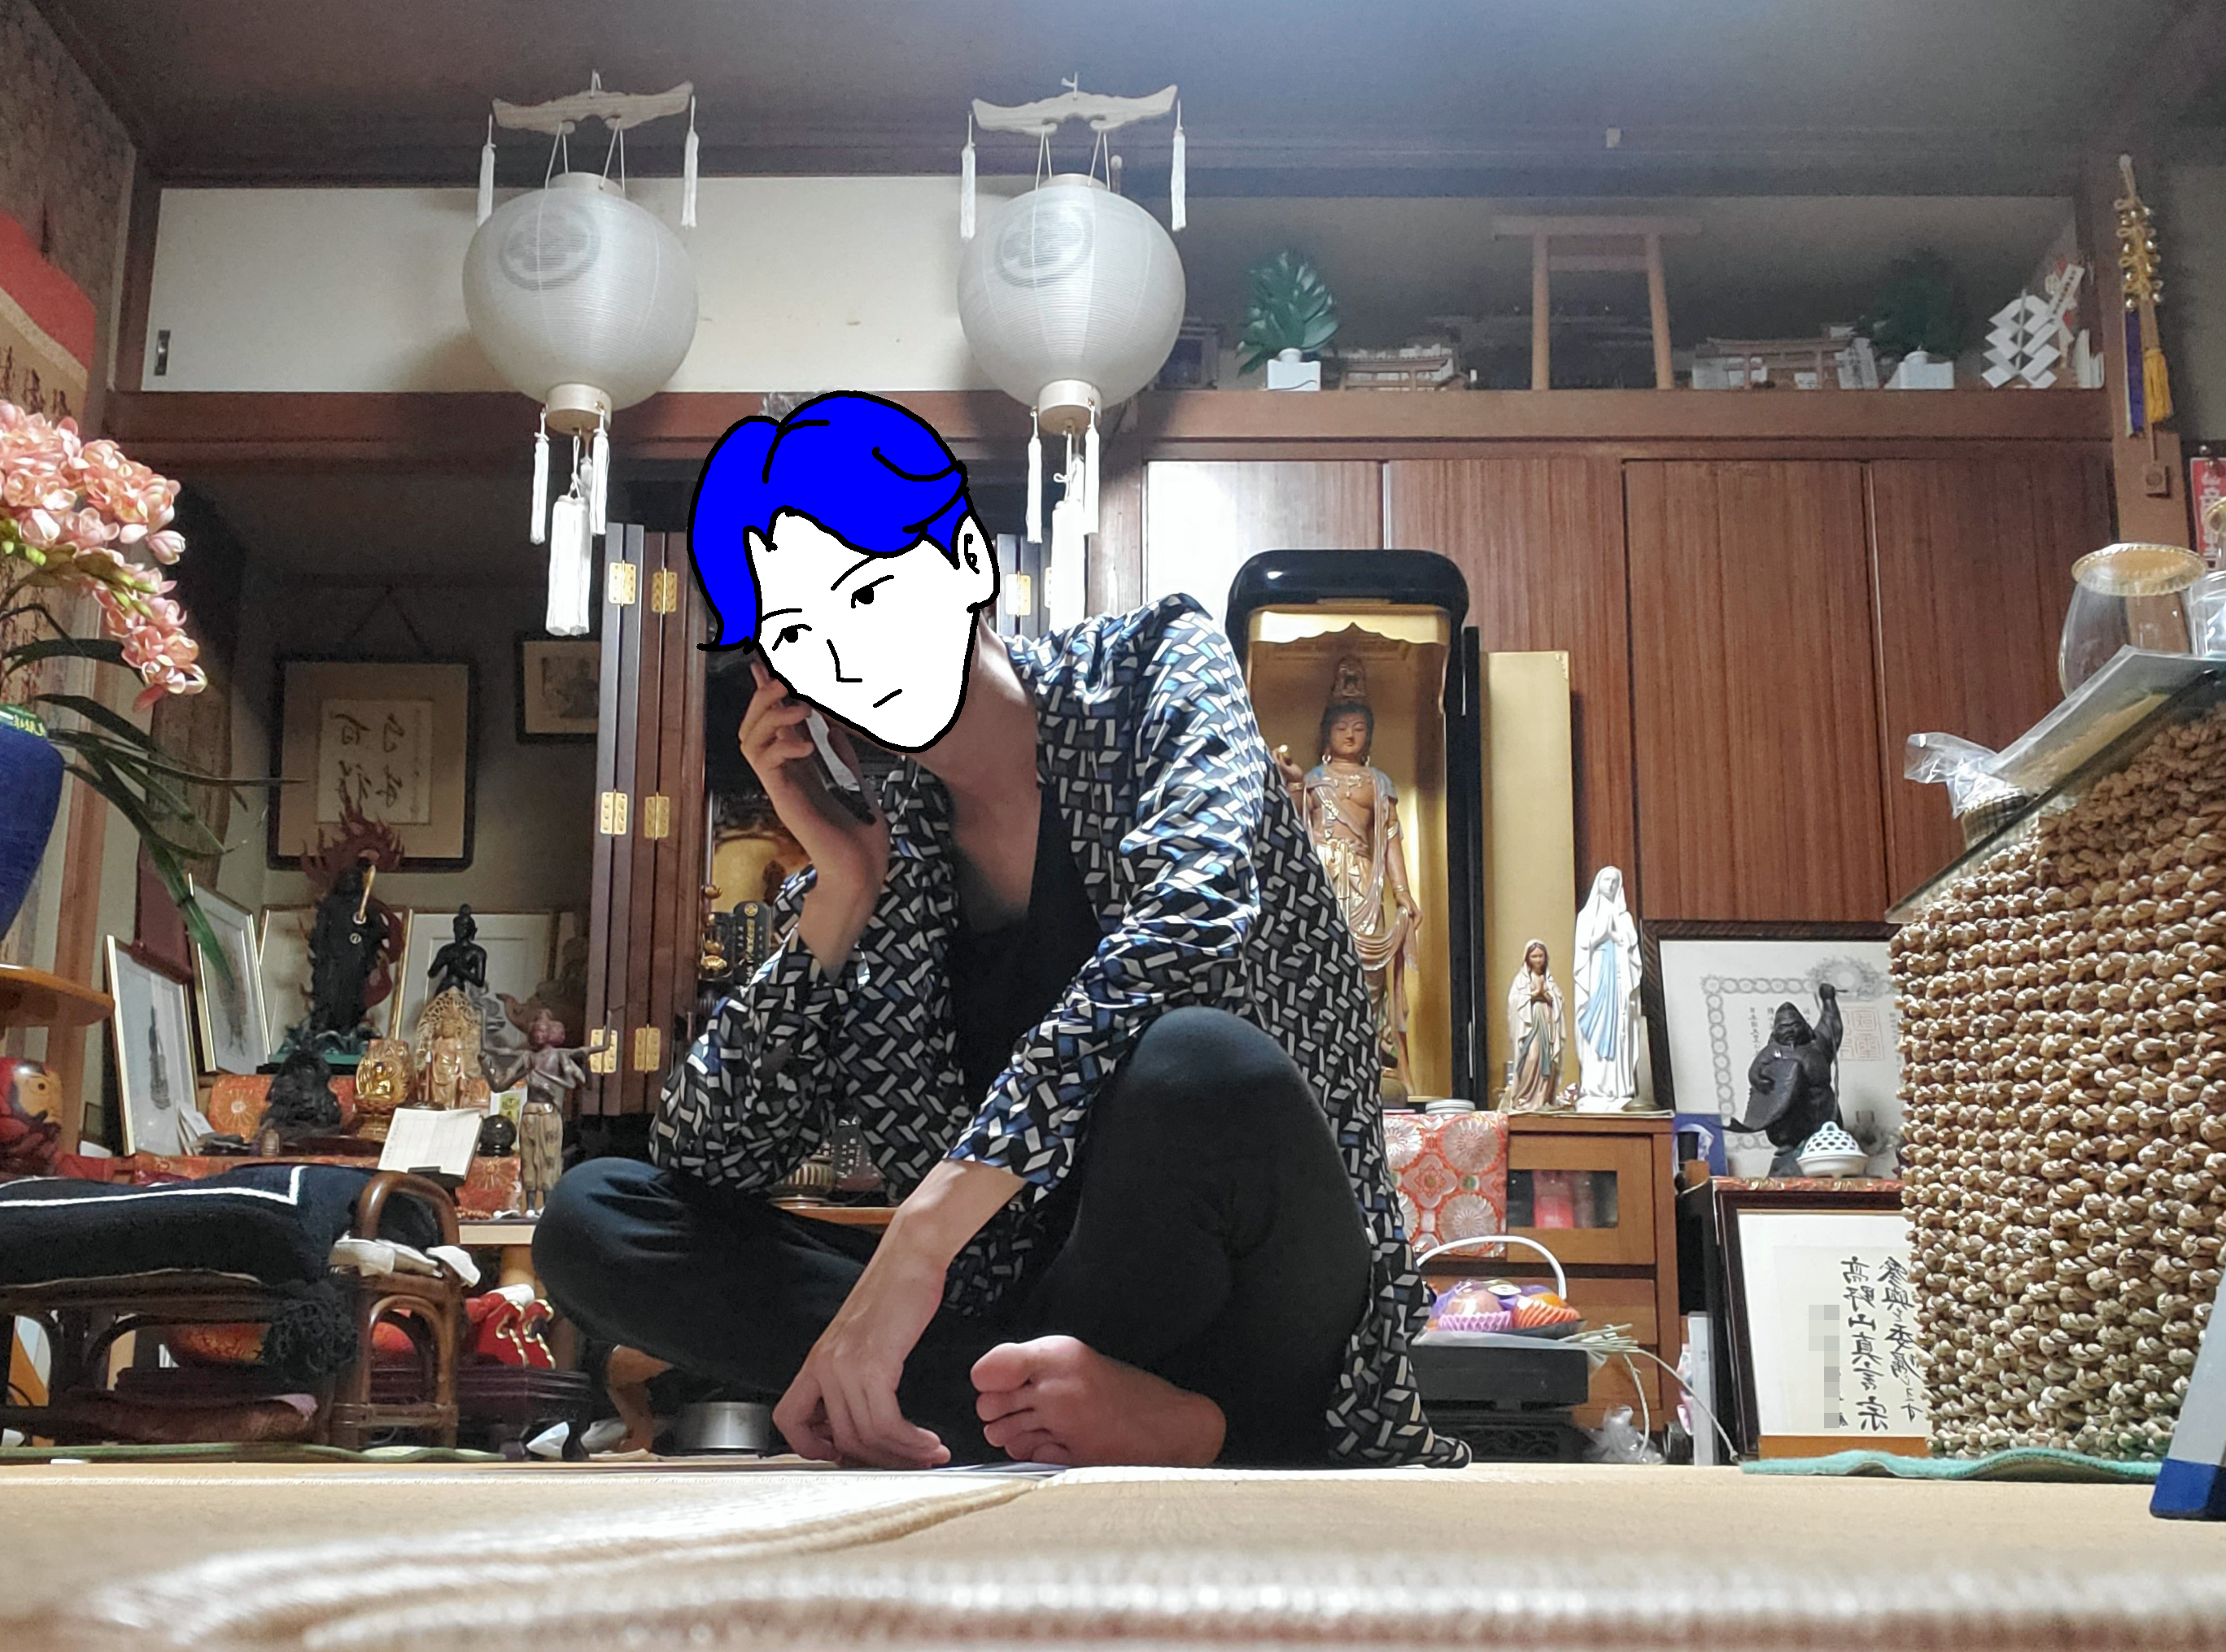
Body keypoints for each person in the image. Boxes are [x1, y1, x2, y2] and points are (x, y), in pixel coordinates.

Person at [535, 393, 1461, 1471]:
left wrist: (923, 1233)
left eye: (866, 593)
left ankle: (1210, 1422)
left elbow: (1192, 918)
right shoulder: (889, 857)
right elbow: (707, 1158)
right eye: (799, 636)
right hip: (1027, 1306)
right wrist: (841, 890)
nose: (848, 657)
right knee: (596, 1218)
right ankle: (1041, 1407)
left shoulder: (1156, 668)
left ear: (966, 559)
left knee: (1197, 1062)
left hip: (1255, 1282)